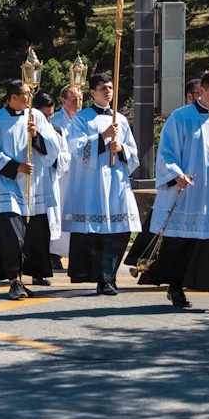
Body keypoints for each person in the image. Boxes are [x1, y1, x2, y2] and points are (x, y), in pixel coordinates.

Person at [142, 69, 209, 314]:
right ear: (201, 90)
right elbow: (167, 153)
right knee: (183, 244)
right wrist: (176, 174)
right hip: (191, 192)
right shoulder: (181, 118)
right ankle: (176, 286)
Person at [59, 74, 140, 295]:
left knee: (119, 230)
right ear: (93, 92)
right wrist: (102, 137)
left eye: (111, 87)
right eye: (103, 88)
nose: (108, 91)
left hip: (117, 182)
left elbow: (134, 154)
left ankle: (110, 275)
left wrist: (121, 149)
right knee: (98, 233)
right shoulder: (82, 118)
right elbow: (76, 149)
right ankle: (102, 278)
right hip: (93, 184)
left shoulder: (120, 119)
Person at [0, 80, 60, 299]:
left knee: (35, 236)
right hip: (7, 185)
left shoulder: (38, 117)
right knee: (13, 237)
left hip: (34, 185)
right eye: (26, 94)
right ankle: (15, 281)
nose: (29, 97)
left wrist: (36, 137)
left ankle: (35, 273)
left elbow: (54, 148)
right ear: (13, 97)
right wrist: (16, 167)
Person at [33, 93, 72, 268]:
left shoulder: (57, 130)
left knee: (51, 218)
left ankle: (53, 254)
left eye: (51, 115)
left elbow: (65, 155)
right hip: (34, 180)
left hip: (52, 179)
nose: (48, 119)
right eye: (45, 115)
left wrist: (55, 159)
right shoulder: (29, 129)